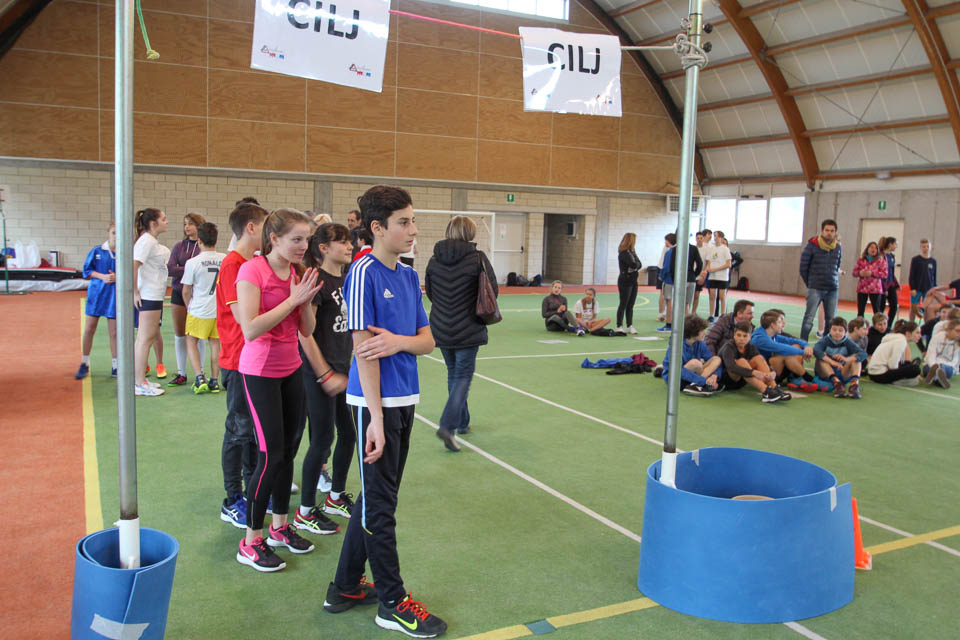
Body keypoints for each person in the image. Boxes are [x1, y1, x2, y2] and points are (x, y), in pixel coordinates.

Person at [325, 185, 447, 638]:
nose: (413, 230)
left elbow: (428, 340)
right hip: (373, 407)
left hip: (404, 400)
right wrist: (374, 418)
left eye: (413, 221)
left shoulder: (408, 275)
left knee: (379, 498)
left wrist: (399, 342)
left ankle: (343, 586)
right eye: (404, 222)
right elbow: (363, 352)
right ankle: (392, 604)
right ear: (377, 227)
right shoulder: (363, 273)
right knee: (380, 506)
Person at [234, 208, 321, 572]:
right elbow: (251, 328)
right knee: (270, 455)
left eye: (306, 240)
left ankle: (280, 527)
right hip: (260, 372)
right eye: (296, 239)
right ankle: (251, 540)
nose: (303, 246)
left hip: (291, 369)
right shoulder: (252, 271)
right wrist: (292, 300)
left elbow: (307, 330)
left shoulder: (296, 273)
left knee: (287, 452)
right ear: (274, 239)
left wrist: (306, 301)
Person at [294, 222, 354, 534]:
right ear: (323, 248)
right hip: (318, 374)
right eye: (341, 242)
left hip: (343, 371)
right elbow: (304, 334)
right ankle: (305, 511)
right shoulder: (316, 280)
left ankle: (335, 497)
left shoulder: (347, 279)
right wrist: (324, 373)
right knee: (321, 440)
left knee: (349, 434)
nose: (349, 246)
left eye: (349, 241)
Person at [425, 215, 498, 452]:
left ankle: (463, 421)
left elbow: (431, 292)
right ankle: (448, 425)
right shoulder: (478, 259)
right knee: (463, 377)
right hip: (469, 327)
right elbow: (492, 290)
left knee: (453, 374)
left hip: (441, 326)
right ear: (470, 233)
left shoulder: (434, 260)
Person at [216, 202, 268, 529]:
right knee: (238, 430)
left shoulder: (251, 263)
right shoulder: (233, 265)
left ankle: (251, 490)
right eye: (265, 226)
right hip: (237, 360)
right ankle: (232, 497)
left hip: (253, 360)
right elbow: (243, 318)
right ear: (251, 227)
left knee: (252, 431)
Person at [181, 222, 226, 394]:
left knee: (191, 340)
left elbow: (186, 290)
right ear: (216, 240)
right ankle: (214, 380)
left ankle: (199, 377)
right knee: (215, 343)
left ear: (199, 241)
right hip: (218, 310)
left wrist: (189, 307)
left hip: (199, 309)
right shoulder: (224, 259)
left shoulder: (193, 262)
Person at [133, 208, 169, 397]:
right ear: (153, 224)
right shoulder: (146, 241)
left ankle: (140, 380)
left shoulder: (151, 241)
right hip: (148, 295)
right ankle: (139, 382)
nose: (166, 222)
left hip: (154, 294)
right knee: (145, 339)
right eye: (163, 219)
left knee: (145, 338)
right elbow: (134, 265)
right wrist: (135, 292)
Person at [166, 212, 205, 386]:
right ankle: (181, 372)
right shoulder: (179, 246)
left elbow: (202, 270)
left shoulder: (203, 247)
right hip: (178, 292)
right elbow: (170, 269)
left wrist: (184, 268)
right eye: (185, 224)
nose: (187, 227)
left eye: (190, 223)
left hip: (198, 295)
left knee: (199, 334)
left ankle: (200, 372)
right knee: (180, 334)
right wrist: (191, 268)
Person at [76, 223, 118, 379]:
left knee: (114, 333)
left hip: (114, 297)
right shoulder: (97, 251)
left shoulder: (125, 254)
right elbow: (86, 271)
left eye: (119, 233)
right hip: (96, 296)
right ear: (108, 233)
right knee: (89, 329)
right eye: (114, 232)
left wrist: (117, 277)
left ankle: (116, 366)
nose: (116, 236)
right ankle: (84, 363)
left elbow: (132, 273)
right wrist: (103, 276)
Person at [717, 321, 790, 403]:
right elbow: (731, 367)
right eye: (738, 335)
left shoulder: (750, 347)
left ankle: (774, 387)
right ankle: (765, 391)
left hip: (742, 379)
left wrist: (772, 372)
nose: (741, 339)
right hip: (726, 381)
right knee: (742, 361)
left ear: (750, 337)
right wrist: (753, 372)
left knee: (758, 358)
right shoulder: (728, 347)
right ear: (734, 335)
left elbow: (762, 362)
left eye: (745, 336)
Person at [751, 310, 817, 392]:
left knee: (796, 346)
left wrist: (806, 346)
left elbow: (794, 340)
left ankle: (797, 378)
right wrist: (803, 352)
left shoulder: (772, 335)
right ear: (772, 325)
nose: (783, 324)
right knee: (786, 354)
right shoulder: (760, 338)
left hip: (772, 370)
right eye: (779, 322)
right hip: (763, 374)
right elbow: (783, 348)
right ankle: (809, 378)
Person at [799, 219, 842, 342]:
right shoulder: (811, 245)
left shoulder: (838, 247)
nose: (829, 233)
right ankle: (803, 343)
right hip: (815, 287)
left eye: (832, 231)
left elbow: (837, 266)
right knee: (809, 318)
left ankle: (826, 345)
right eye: (827, 230)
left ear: (835, 232)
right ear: (822, 231)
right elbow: (803, 267)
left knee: (831, 320)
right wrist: (810, 283)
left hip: (832, 288)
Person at [661, 314, 722, 396]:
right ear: (693, 332)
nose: (705, 333)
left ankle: (696, 385)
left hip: (693, 375)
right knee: (695, 363)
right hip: (675, 379)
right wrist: (704, 381)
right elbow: (678, 372)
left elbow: (710, 359)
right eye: (702, 330)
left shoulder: (700, 343)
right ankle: (700, 384)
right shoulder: (676, 347)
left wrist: (714, 376)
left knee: (716, 359)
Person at [813, 317, 868, 399]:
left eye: (840, 330)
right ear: (830, 330)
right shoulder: (826, 340)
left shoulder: (847, 341)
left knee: (856, 359)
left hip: (842, 372)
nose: (837, 333)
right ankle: (837, 384)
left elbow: (863, 354)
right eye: (834, 330)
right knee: (821, 359)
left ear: (845, 332)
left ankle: (854, 386)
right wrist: (832, 362)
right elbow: (816, 350)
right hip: (826, 373)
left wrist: (847, 359)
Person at [659, 234, 703, 332]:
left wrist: (674, 278)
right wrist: (694, 275)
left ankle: (671, 324)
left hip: (680, 279)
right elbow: (700, 264)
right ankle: (686, 328)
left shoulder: (675, 250)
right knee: (686, 304)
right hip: (691, 278)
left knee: (675, 303)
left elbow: (671, 266)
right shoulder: (693, 248)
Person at [867, 320, 922, 386]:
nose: (920, 336)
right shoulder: (901, 341)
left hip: (874, 373)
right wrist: (904, 372)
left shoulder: (898, 339)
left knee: (909, 366)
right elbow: (892, 365)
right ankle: (899, 381)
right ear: (908, 333)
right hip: (879, 374)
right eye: (917, 333)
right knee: (915, 369)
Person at [701, 230, 732, 321]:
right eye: (714, 236)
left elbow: (728, 264)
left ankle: (723, 315)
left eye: (717, 236)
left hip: (722, 277)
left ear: (721, 238)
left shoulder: (725, 249)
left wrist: (715, 269)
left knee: (722, 296)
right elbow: (708, 263)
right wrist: (705, 270)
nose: (715, 238)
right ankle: (711, 315)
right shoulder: (712, 249)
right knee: (712, 296)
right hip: (712, 277)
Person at [853, 241, 887, 318]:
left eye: (875, 248)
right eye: (871, 247)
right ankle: (860, 323)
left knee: (876, 311)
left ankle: (878, 324)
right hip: (862, 288)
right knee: (860, 311)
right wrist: (860, 273)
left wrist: (872, 273)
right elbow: (854, 273)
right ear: (867, 249)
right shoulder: (861, 260)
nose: (873, 249)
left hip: (875, 289)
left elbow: (885, 274)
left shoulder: (881, 261)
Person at [922, 319, 960, 389]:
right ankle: (939, 379)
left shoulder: (958, 343)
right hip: (932, 364)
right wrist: (934, 365)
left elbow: (954, 362)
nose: (959, 334)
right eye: (957, 331)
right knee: (928, 368)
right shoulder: (938, 337)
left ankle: (935, 376)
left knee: (943, 369)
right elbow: (931, 354)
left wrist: (941, 366)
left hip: (948, 367)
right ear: (949, 330)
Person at [615, 232, 641, 334]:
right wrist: (636, 264)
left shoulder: (632, 252)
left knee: (631, 304)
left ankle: (629, 325)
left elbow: (640, 264)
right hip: (625, 280)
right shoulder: (624, 253)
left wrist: (636, 264)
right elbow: (633, 264)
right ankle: (619, 325)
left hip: (633, 280)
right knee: (623, 303)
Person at [908, 238, 937, 322]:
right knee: (913, 308)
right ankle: (911, 324)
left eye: (927, 246)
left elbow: (934, 276)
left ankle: (926, 325)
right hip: (917, 289)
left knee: (926, 309)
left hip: (928, 289)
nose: (926, 248)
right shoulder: (915, 259)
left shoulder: (933, 261)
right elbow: (911, 275)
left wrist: (934, 288)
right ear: (921, 247)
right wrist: (912, 288)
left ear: (931, 247)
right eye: (924, 246)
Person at [878, 236, 900, 326]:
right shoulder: (882, 256)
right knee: (881, 307)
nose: (896, 246)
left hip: (891, 285)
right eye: (895, 244)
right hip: (883, 286)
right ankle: (879, 325)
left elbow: (891, 272)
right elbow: (882, 273)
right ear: (890, 244)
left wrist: (896, 284)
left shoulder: (892, 256)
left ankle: (888, 325)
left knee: (894, 306)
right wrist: (884, 288)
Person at [656, 233, 674, 323]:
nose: (665, 242)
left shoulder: (672, 250)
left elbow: (667, 265)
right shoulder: (668, 249)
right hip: (663, 270)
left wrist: (662, 275)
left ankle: (668, 317)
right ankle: (661, 314)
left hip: (668, 273)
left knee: (668, 297)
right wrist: (661, 275)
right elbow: (665, 264)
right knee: (664, 294)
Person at [691, 231, 707, 315]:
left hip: (701, 275)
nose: (699, 240)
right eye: (698, 238)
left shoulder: (706, 250)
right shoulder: (692, 249)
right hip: (692, 274)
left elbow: (707, 263)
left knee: (696, 295)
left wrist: (704, 274)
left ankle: (693, 312)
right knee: (689, 294)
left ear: (703, 239)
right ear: (695, 239)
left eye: (701, 238)